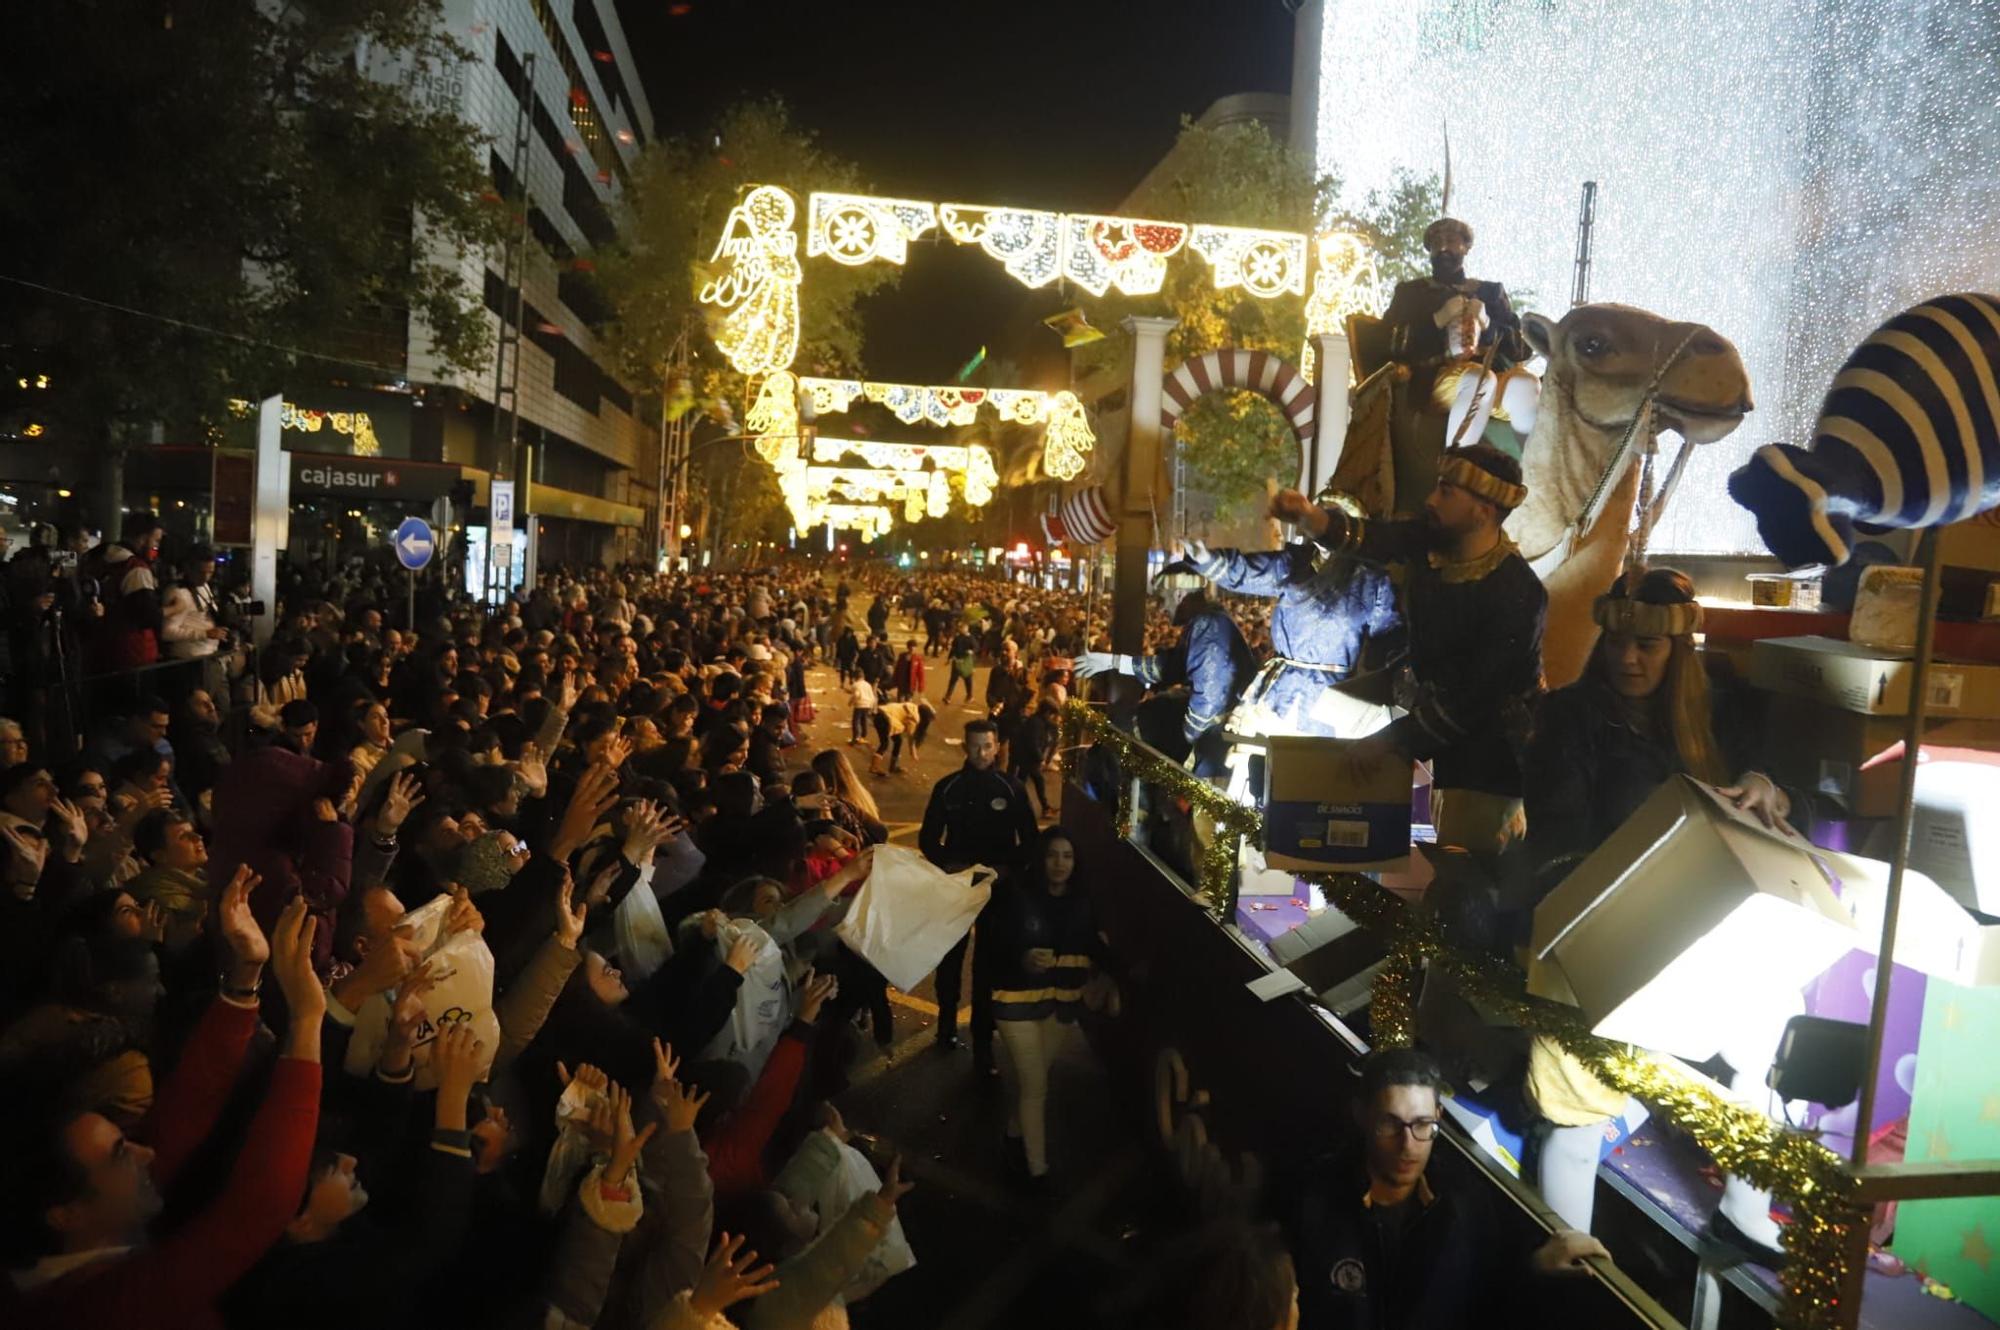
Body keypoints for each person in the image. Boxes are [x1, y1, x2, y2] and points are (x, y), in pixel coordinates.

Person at [1519, 568, 1792, 1252]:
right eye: (1616, 642)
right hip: (1591, 926)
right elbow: (1557, 839)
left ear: (1680, 652)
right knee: (1579, 1110)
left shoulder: (1728, 716)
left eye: (1647, 646)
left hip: (1697, 929)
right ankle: (1571, 1270)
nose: (1628, 658)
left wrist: (1767, 785)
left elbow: (1783, 797)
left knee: (1771, 1026)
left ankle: (1744, 1205)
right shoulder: (1567, 720)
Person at [1, 876, 326, 1330]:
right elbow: (256, 1208)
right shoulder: (86, 1309)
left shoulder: (89, 1239)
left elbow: (181, 1115)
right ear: (65, 1212)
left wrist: (245, 975)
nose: (146, 1151)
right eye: (121, 1153)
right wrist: (308, 1019)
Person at [1275, 444, 1546, 854]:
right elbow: (1377, 539)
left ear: (1483, 512)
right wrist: (1311, 518)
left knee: (1462, 869)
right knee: (1335, 703)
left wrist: (1390, 742)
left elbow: (1473, 703)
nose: (1431, 500)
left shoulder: (1519, 593)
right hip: (1437, 718)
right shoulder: (1433, 542)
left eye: (1447, 492)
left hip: (1490, 759)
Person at [1284, 1048, 1605, 1330]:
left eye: (1423, 1124)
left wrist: (1535, 1268)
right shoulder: (1313, 1200)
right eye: (1390, 1124)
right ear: (1362, 1116)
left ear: (1438, 1117)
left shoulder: (1465, 1205)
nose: (1408, 1146)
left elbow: (1488, 1302)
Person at [918, 718, 1038, 1072]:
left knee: (987, 966)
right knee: (950, 961)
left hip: (996, 892)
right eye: (974, 746)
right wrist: (949, 866)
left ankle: (983, 1041)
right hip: (955, 888)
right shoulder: (947, 788)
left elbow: (1030, 842)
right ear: (964, 748)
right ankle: (945, 1024)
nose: (982, 753)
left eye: (987, 746)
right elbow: (928, 839)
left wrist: (1005, 871)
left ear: (998, 745)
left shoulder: (1012, 788)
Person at [990, 829, 1104, 1187]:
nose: (1059, 864)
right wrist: (1021, 958)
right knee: (1037, 1087)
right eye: (1053, 855)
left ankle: (1012, 1135)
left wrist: (1130, 970)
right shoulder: (1016, 895)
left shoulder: (1082, 900)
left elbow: (1093, 945)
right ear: (1041, 859)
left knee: (1032, 1080)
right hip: (1016, 1003)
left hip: (1059, 1005)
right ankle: (1037, 1170)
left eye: (1067, 856)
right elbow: (993, 947)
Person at [1075, 581, 1256, 779]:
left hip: (1216, 732)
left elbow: (1207, 700)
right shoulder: (1205, 621)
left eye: (1163, 600)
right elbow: (1170, 666)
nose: (1162, 608)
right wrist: (1113, 661)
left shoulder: (1206, 624)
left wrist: (1187, 746)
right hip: (1214, 722)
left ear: (1179, 595)